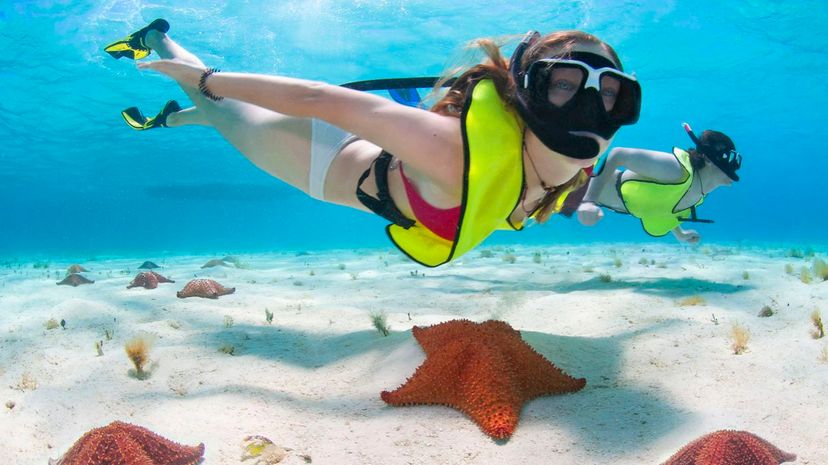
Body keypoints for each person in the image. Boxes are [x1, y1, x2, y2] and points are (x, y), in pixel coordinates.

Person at [104, 19, 641, 266]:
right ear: (529, 91)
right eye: (566, 84)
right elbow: (320, 100)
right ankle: (159, 43)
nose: (593, 107)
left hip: (364, 146)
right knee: (224, 110)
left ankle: (181, 117)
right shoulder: (450, 151)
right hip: (320, 157)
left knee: (222, 120)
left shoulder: (572, 168)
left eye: (612, 94)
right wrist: (208, 79)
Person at [574, 123, 741, 244]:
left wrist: (680, 234)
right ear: (709, 159)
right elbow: (618, 155)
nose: (734, 166)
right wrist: (589, 200)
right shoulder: (676, 170)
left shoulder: (697, 193)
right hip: (577, 178)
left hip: (583, 198)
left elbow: (665, 207)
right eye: (729, 157)